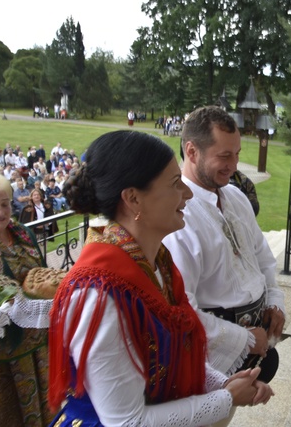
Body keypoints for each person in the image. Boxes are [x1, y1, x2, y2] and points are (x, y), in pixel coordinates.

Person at [48, 130, 273, 426]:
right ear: (133, 198)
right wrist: (226, 398)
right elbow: (126, 421)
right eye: (174, 183)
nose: (188, 193)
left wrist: (222, 382)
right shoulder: (101, 294)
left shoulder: (157, 265)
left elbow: (175, 351)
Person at [163, 106, 285, 385]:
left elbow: (262, 258)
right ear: (192, 152)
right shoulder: (177, 217)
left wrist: (276, 302)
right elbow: (181, 308)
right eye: (224, 156)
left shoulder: (236, 197)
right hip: (213, 355)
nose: (234, 165)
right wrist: (243, 339)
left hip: (258, 339)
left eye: (238, 154)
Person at [0, 172, 53, 426]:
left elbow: (43, 274)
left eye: (4, 204)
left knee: (43, 408)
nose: (0, 212)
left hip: (37, 340)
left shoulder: (23, 233)